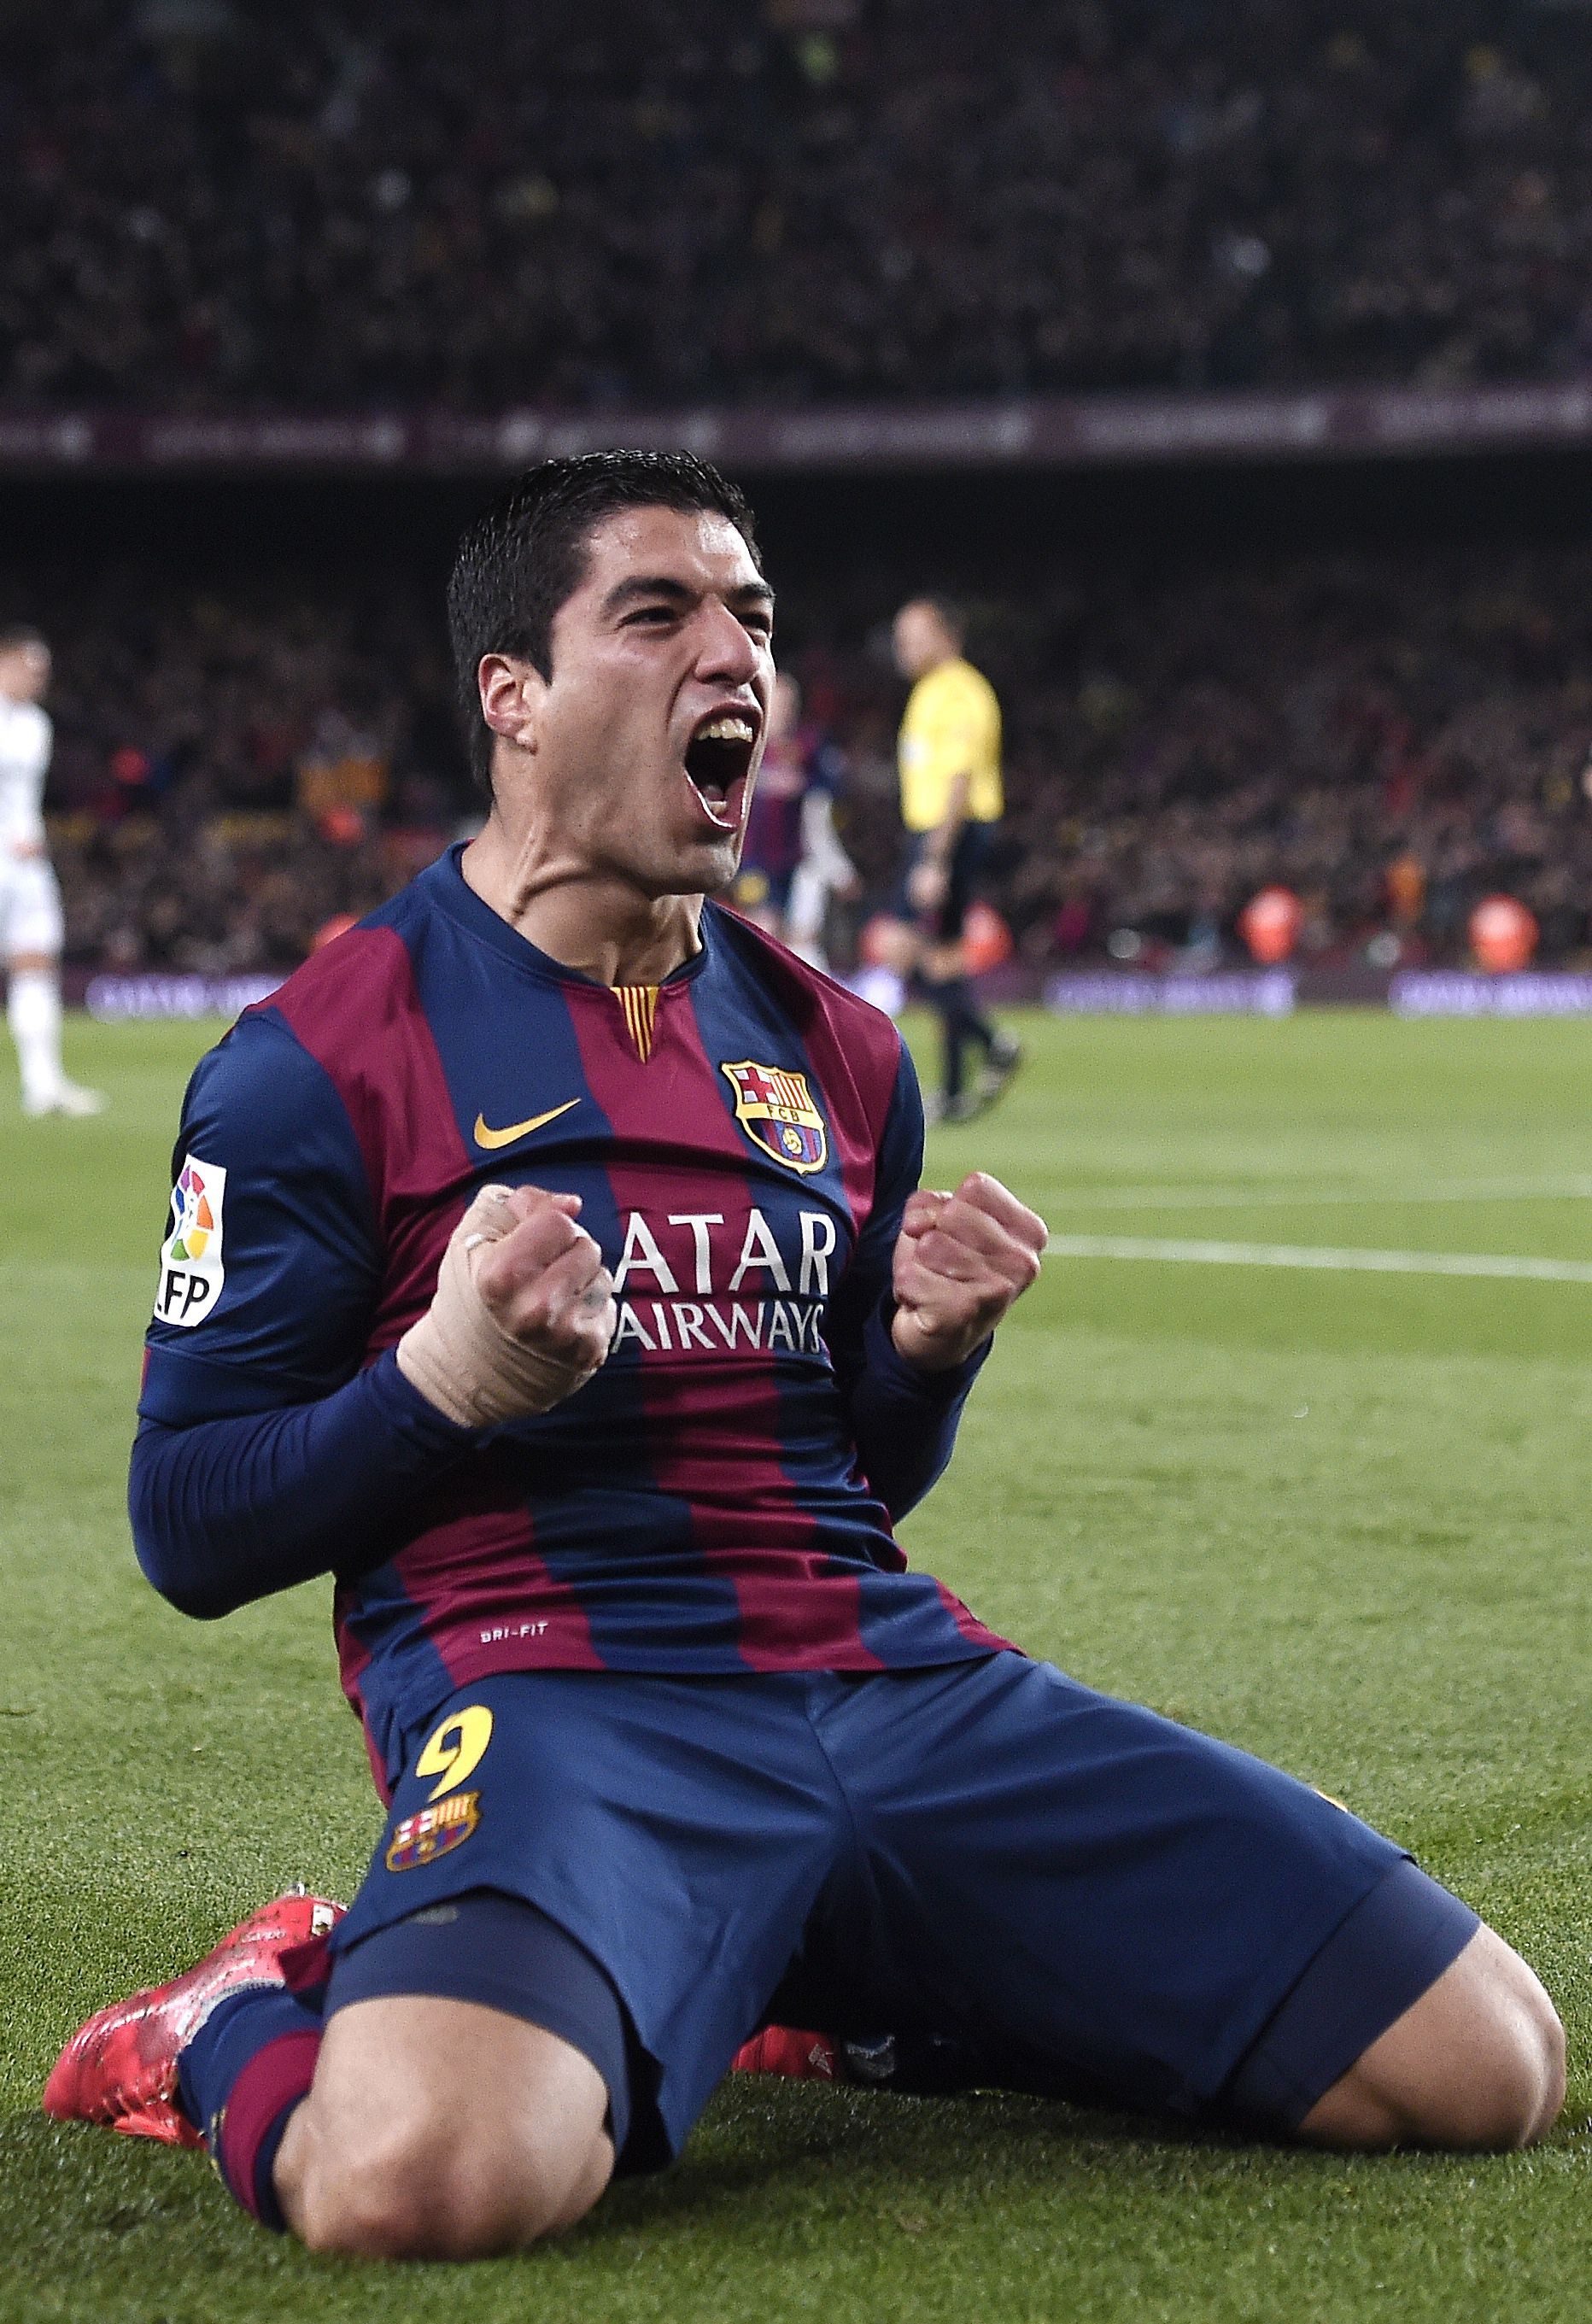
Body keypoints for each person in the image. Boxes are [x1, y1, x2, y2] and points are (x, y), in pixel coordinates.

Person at [45, 454, 1562, 2261]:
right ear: (508, 696)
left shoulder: (835, 1050)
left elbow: (846, 1472)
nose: (734, 656)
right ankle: (225, 2019)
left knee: (1484, 2063)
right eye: (659, 613)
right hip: (565, 1701)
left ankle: (803, 1970)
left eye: (754, 617)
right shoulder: (315, 1061)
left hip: (887, 1681)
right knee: (417, 2183)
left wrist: (922, 1359)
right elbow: (186, 1523)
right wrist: (439, 1381)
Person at [887, 598, 1019, 1122]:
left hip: (950, 836)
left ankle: (990, 1042)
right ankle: (959, 1085)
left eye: (913, 634)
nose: (904, 647)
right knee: (939, 958)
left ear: (945, 633)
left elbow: (960, 779)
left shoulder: (962, 691)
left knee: (903, 948)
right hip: (937, 835)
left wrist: (936, 858)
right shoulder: (930, 691)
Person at [0, 627, 104, 1117]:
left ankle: (42, 1084)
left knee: (36, 963)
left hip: (27, 864)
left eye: (42, 672)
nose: (37, 679)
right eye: (28, 667)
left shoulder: (37, 724)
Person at [732, 670, 857, 971]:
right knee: (764, 929)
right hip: (754, 861)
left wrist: (837, 866)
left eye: (789, 704)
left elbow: (828, 802)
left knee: (803, 937)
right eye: (777, 702)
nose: (783, 712)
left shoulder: (809, 748)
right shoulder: (742, 743)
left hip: (800, 863)